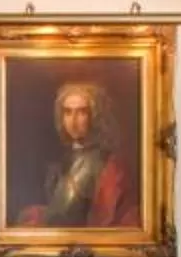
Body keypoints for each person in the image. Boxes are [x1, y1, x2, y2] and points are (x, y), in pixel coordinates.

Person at [15, 78, 139, 229]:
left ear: (95, 116)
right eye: (67, 112)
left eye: (82, 112)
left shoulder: (109, 164)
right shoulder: (62, 160)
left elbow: (97, 218)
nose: (73, 121)